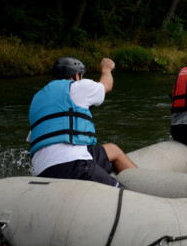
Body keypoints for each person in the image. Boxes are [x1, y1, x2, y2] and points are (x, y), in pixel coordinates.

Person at [27, 57, 137, 187]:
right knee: (123, 195)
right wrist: (106, 68)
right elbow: (106, 86)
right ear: (76, 75)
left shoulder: (37, 100)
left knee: (113, 150)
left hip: (42, 172)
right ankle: (142, 189)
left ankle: (141, 179)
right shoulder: (79, 86)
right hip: (74, 165)